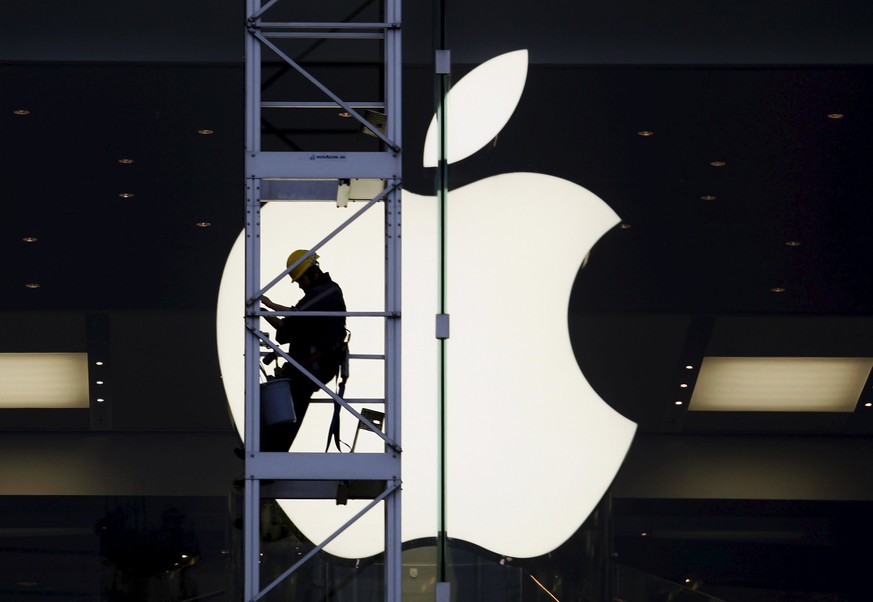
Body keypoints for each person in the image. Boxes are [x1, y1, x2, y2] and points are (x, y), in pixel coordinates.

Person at [259, 249, 347, 451]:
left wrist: (269, 305)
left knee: (290, 406)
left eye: (301, 280)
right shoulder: (313, 298)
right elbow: (286, 329)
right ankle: (264, 450)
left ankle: (270, 454)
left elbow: (296, 316)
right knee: (283, 404)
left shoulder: (328, 292)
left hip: (315, 365)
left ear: (313, 272)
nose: (299, 285)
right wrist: (262, 313)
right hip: (305, 366)